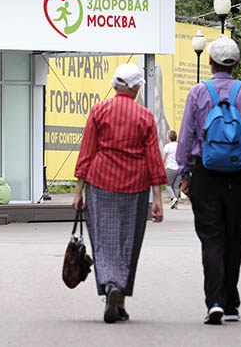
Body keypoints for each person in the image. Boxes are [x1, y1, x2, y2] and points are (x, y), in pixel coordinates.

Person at [176, 34, 241, 325]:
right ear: (236, 64)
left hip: (205, 175)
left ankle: (215, 302)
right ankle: (231, 303)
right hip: (238, 176)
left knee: (211, 240)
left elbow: (185, 138)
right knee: (234, 239)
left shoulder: (198, 93)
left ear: (210, 62)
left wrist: (185, 174)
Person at [73, 63, 166, 324]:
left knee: (103, 239)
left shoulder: (99, 110)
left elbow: (87, 151)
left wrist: (79, 190)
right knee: (129, 241)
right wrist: (158, 198)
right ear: (136, 88)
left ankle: (110, 287)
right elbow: (153, 158)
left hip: (100, 181)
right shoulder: (145, 116)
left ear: (115, 85)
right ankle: (120, 297)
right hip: (136, 185)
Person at [163, 130, 182, 209]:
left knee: (167, 185)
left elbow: (164, 158)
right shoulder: (179, 145)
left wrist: (162, 165)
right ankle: (175, 204)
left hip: (170, 168)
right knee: (176, 186)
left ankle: (173, 198)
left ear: (168, 137)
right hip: (179, 168)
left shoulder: (167, 146)